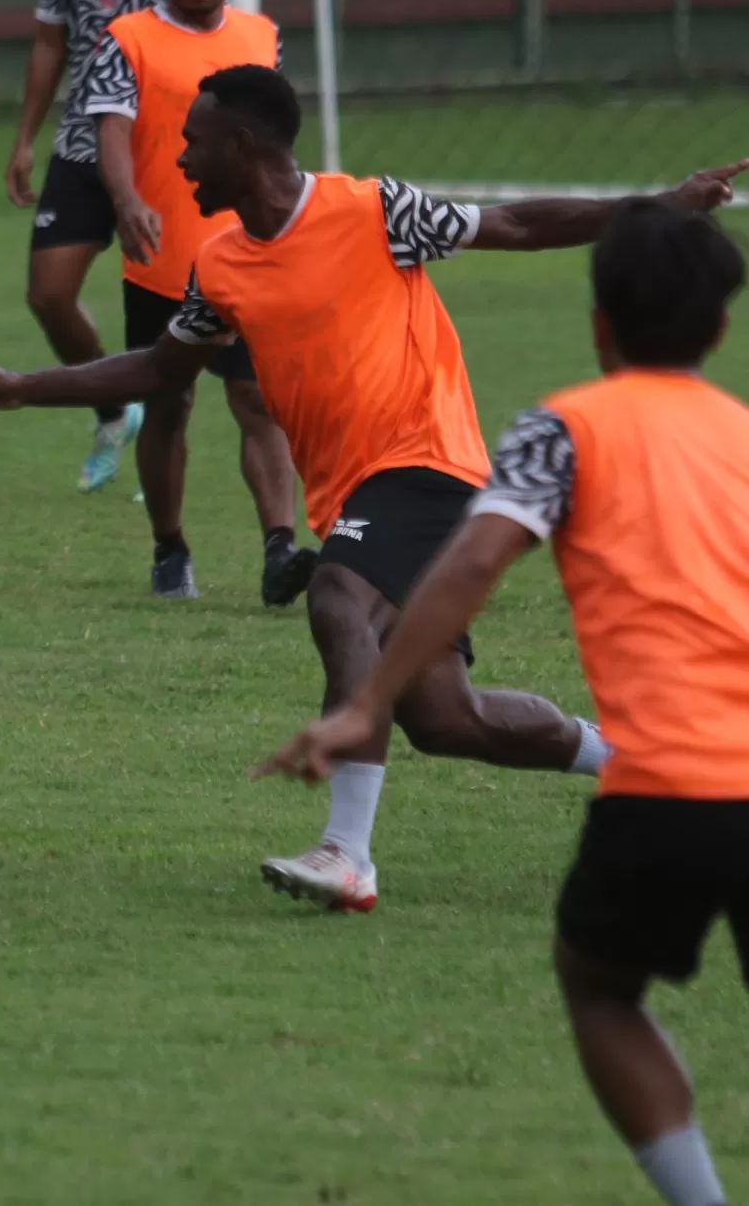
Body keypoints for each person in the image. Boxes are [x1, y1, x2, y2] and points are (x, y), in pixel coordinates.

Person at [0, 63, 744, 913]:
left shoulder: (372, 210)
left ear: (241, 147)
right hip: (355, 493)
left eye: (192, 143)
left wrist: (660, 206)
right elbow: (161, 367)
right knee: (441, 719)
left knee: (336, 597)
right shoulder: (221, 263)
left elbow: (517, 222)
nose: (180, 160)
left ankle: (345, 854)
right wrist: (20, 386)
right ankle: (645, 760)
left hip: (429, 463)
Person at [257, 201, 745, 1206]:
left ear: (599, 322)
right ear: (722, 330)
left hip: (661, 789)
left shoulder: (560, 430)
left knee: (602, 988)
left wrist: (369, 699)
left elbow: (476, 554)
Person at [78, 0, 311, 604]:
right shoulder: (128, 39)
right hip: (164, 256)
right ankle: (168, 547)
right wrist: (125, 201)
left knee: (257, 402)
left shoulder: (261, 37)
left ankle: (279, 549)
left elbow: (277, 143)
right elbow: (111, 129)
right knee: (168, 402)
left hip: (249, 257)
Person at [11, 0, 167, 493]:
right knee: (47, 294)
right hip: (80, 143)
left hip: (160, 150)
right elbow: (50, 41)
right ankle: (112, 407)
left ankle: (162, 456)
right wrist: (24, 138)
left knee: (160, 318)